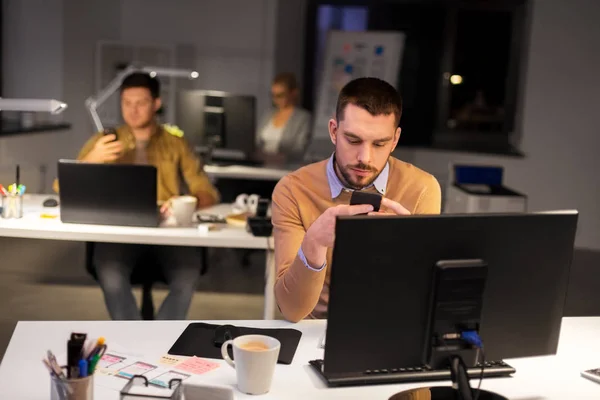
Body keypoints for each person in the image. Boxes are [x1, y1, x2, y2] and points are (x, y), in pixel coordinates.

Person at [271, 77, 442, 322]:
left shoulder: (422, 189)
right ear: (333, 131)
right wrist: (314, 243)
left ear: (395, 140)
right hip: (315, 332)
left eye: (380, 143)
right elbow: (291, 309)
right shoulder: (293, 190)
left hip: (387, 328)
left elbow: (423, 302)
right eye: (353, 140)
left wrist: (413, 253)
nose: (365, 158)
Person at [54, 72, 219, 320]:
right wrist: (92, 160)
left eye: (140, 103)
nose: (133, 110)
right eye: (126, 103)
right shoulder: (106, 140)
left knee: (188, 273)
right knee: (110, 273)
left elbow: (206, 190)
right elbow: (62, 187)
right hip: (120, 229)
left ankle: (160, 337)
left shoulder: (176, 142)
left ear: (156, 104)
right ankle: (132, 335)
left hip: (165, 231)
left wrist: (186, 202)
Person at [256, 72, 312, 164]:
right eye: (273, 95)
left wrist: (277, 156)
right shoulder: (268, 114)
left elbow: (299, 149)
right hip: (262, 164)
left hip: (286, 167)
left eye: (280, 95)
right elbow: (257, 141)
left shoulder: (303, 118)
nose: (276, 100)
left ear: (293, 93)